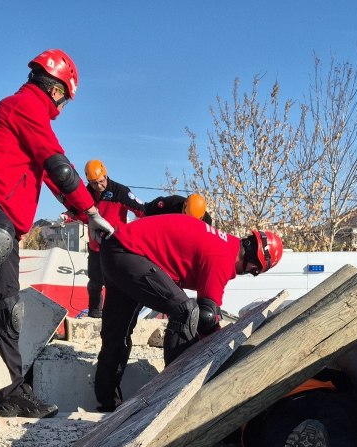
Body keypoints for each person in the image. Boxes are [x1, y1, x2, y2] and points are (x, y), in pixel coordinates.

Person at [0, 48, 115, 419]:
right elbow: (61, 168)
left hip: (2, 217)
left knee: (9, 306)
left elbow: (52, 178)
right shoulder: (27, 106)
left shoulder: (28, 113)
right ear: (57, 91)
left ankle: (13, 393)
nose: (64, 107)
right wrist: (91, 211)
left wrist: (79, 212)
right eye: (66, 99)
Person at [94, 214, 283, 412]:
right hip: (129, 253)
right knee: (185, 311)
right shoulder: (224, 256)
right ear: (254, 266)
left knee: (117, 335)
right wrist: (222, 352)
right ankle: (171, 394)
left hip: (116, 248)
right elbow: (206, 317)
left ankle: (107, 403)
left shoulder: (222, 242)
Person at [83, 159, 146, 318]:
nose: (99, 186)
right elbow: (78, 211)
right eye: (94, 183)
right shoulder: (86, 193)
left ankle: (116, 316)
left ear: (106, 174)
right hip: (95, 246)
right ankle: (94, 315)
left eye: (101, 181)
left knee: (116, 284)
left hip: (116, 247)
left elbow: (143, 211)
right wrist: (66, 216)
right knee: (94, 283)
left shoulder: (120, 191)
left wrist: (133, 233)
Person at [142, 193, 213, 225]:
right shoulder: (172, 203)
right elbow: (146, 210)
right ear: (184, 204)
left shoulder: (206, 221)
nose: (188, 222)